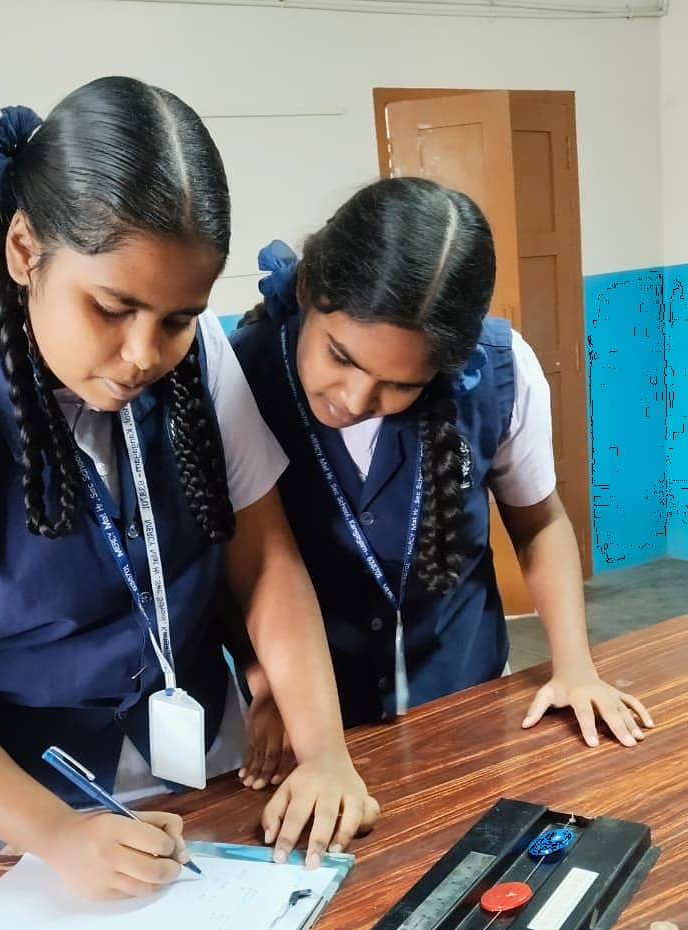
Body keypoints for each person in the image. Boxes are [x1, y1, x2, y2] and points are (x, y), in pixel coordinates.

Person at [0, 77, 378, 900]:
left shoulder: (198, 360)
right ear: (24, 249)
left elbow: (264, 562)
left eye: (178, 317)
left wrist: (324, 749)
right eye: (112, 307)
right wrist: (57, 831)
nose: (143, 354)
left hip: (186, 783)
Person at [230, 176, 652, 789]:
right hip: (312, 727)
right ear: (306, 291)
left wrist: (575, 667)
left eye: (399, 385)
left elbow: (540, 523)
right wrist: (266, 680)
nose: (355, 399)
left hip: (466, 698)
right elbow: (235, 565)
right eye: (341, 357)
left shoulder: (501, 371)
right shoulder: (236, 378)